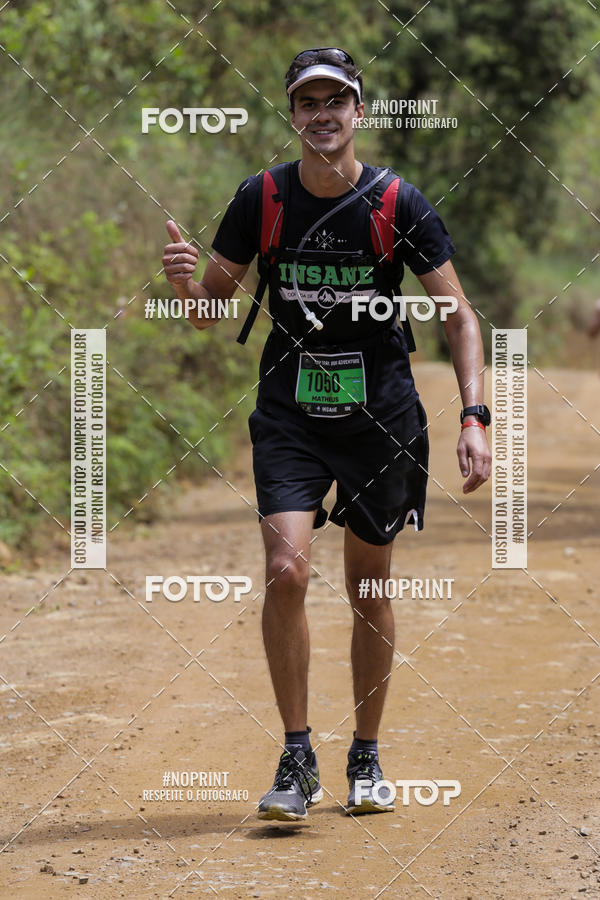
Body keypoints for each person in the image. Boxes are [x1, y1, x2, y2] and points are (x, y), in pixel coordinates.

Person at [162, 47, 491, 821]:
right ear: (292, 115)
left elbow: (459, 317)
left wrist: (474, 416)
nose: (322, 115)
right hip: (290, 415)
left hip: (380, 419)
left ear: (358, 112)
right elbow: (211, 310)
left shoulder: (398, 203)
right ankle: (297, 755)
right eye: (307, 103)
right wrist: (183, 287)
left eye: (334, 101)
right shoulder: (262, 198)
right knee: (286, 570)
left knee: (368, 584)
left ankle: (366, 757)